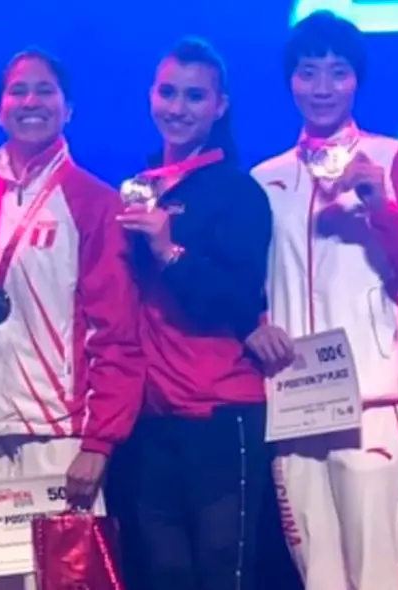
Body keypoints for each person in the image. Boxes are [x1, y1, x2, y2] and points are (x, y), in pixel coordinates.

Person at [248, 11, 398, 590]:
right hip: (296, 404)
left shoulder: (392, 158)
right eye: (309, 73)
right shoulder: (266, 178)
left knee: (382, 578)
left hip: (374, 407)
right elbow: (255, 288)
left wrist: (379, 211)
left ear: (357, 80)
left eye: (338, 72)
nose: (323, 87)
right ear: (291, 82)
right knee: (321, 580)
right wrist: (258, 322)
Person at [0, 47, 145, 590]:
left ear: (69, 108)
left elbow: (117, 333)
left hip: (58, 437)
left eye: (45, 90)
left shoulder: (92, 202)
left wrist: (99, 442)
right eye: (18, 91)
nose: (31, 102)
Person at [116, 37, 274, 590]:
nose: (177, 108)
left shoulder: (239, 193)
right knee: (162, 574)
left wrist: (168, 251)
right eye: (167, 92)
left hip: (220, 409)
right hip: (151, 414)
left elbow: (238, 300)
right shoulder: (138, 188)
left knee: (219, 571)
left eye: (194, 96)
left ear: (220, 106)